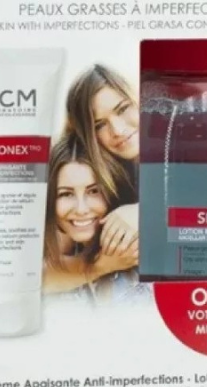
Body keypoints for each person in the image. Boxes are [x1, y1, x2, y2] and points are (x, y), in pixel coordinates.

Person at [42, 134, 139, 300]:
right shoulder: (70, 259)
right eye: (66, 194)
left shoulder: (137, 241)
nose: (81, 209)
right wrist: (100, 266)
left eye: (94, 191)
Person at [64, 64, 139, 258]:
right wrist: (99, 267)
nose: (117, 130)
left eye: (123, 109)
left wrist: (146, 212)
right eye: (99, 125)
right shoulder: (87, 172)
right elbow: (47, 262)